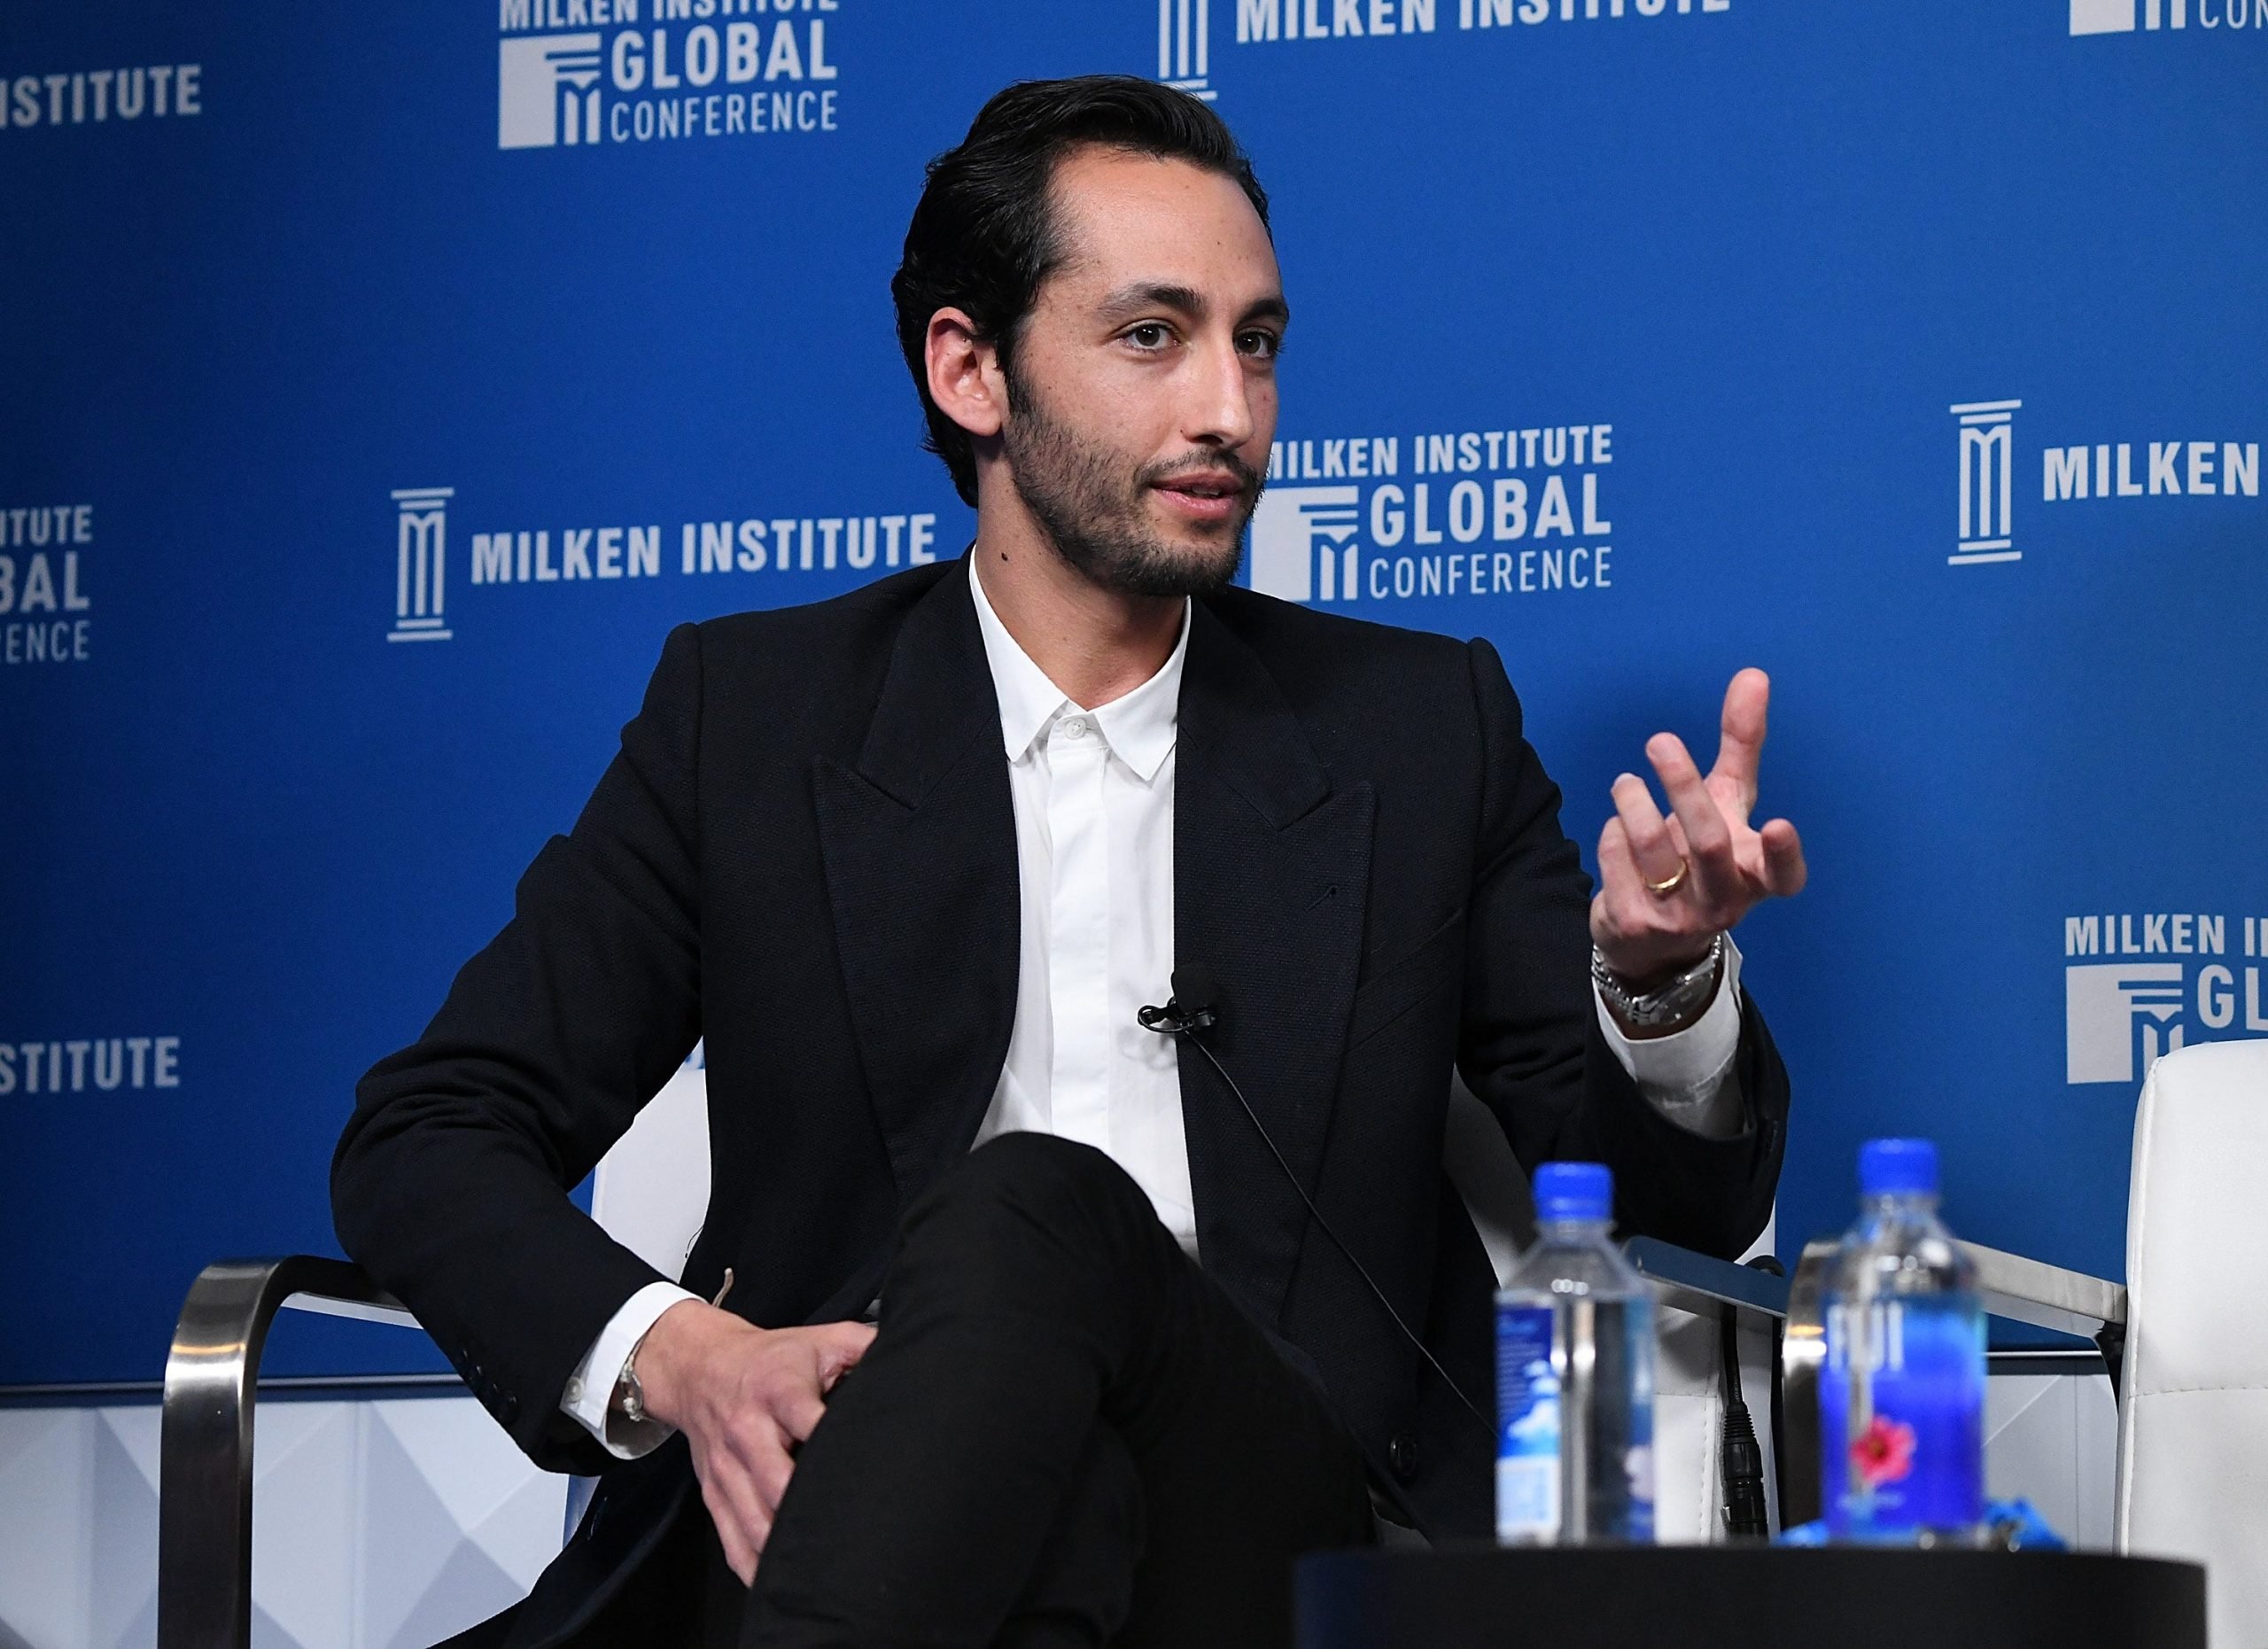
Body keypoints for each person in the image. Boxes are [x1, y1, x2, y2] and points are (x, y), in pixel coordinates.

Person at [333, 74, 1805, 1649]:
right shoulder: (753, 720)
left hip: (1265, 1519)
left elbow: (1675, 1203)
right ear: (971, 371)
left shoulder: (1412, 726)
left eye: (1258, 342)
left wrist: (1658, 987)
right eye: (1153, 336)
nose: (1231, 412)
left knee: (1033, 1209)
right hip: (852, 1486)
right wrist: (689, 1359)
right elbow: (428, 1133)